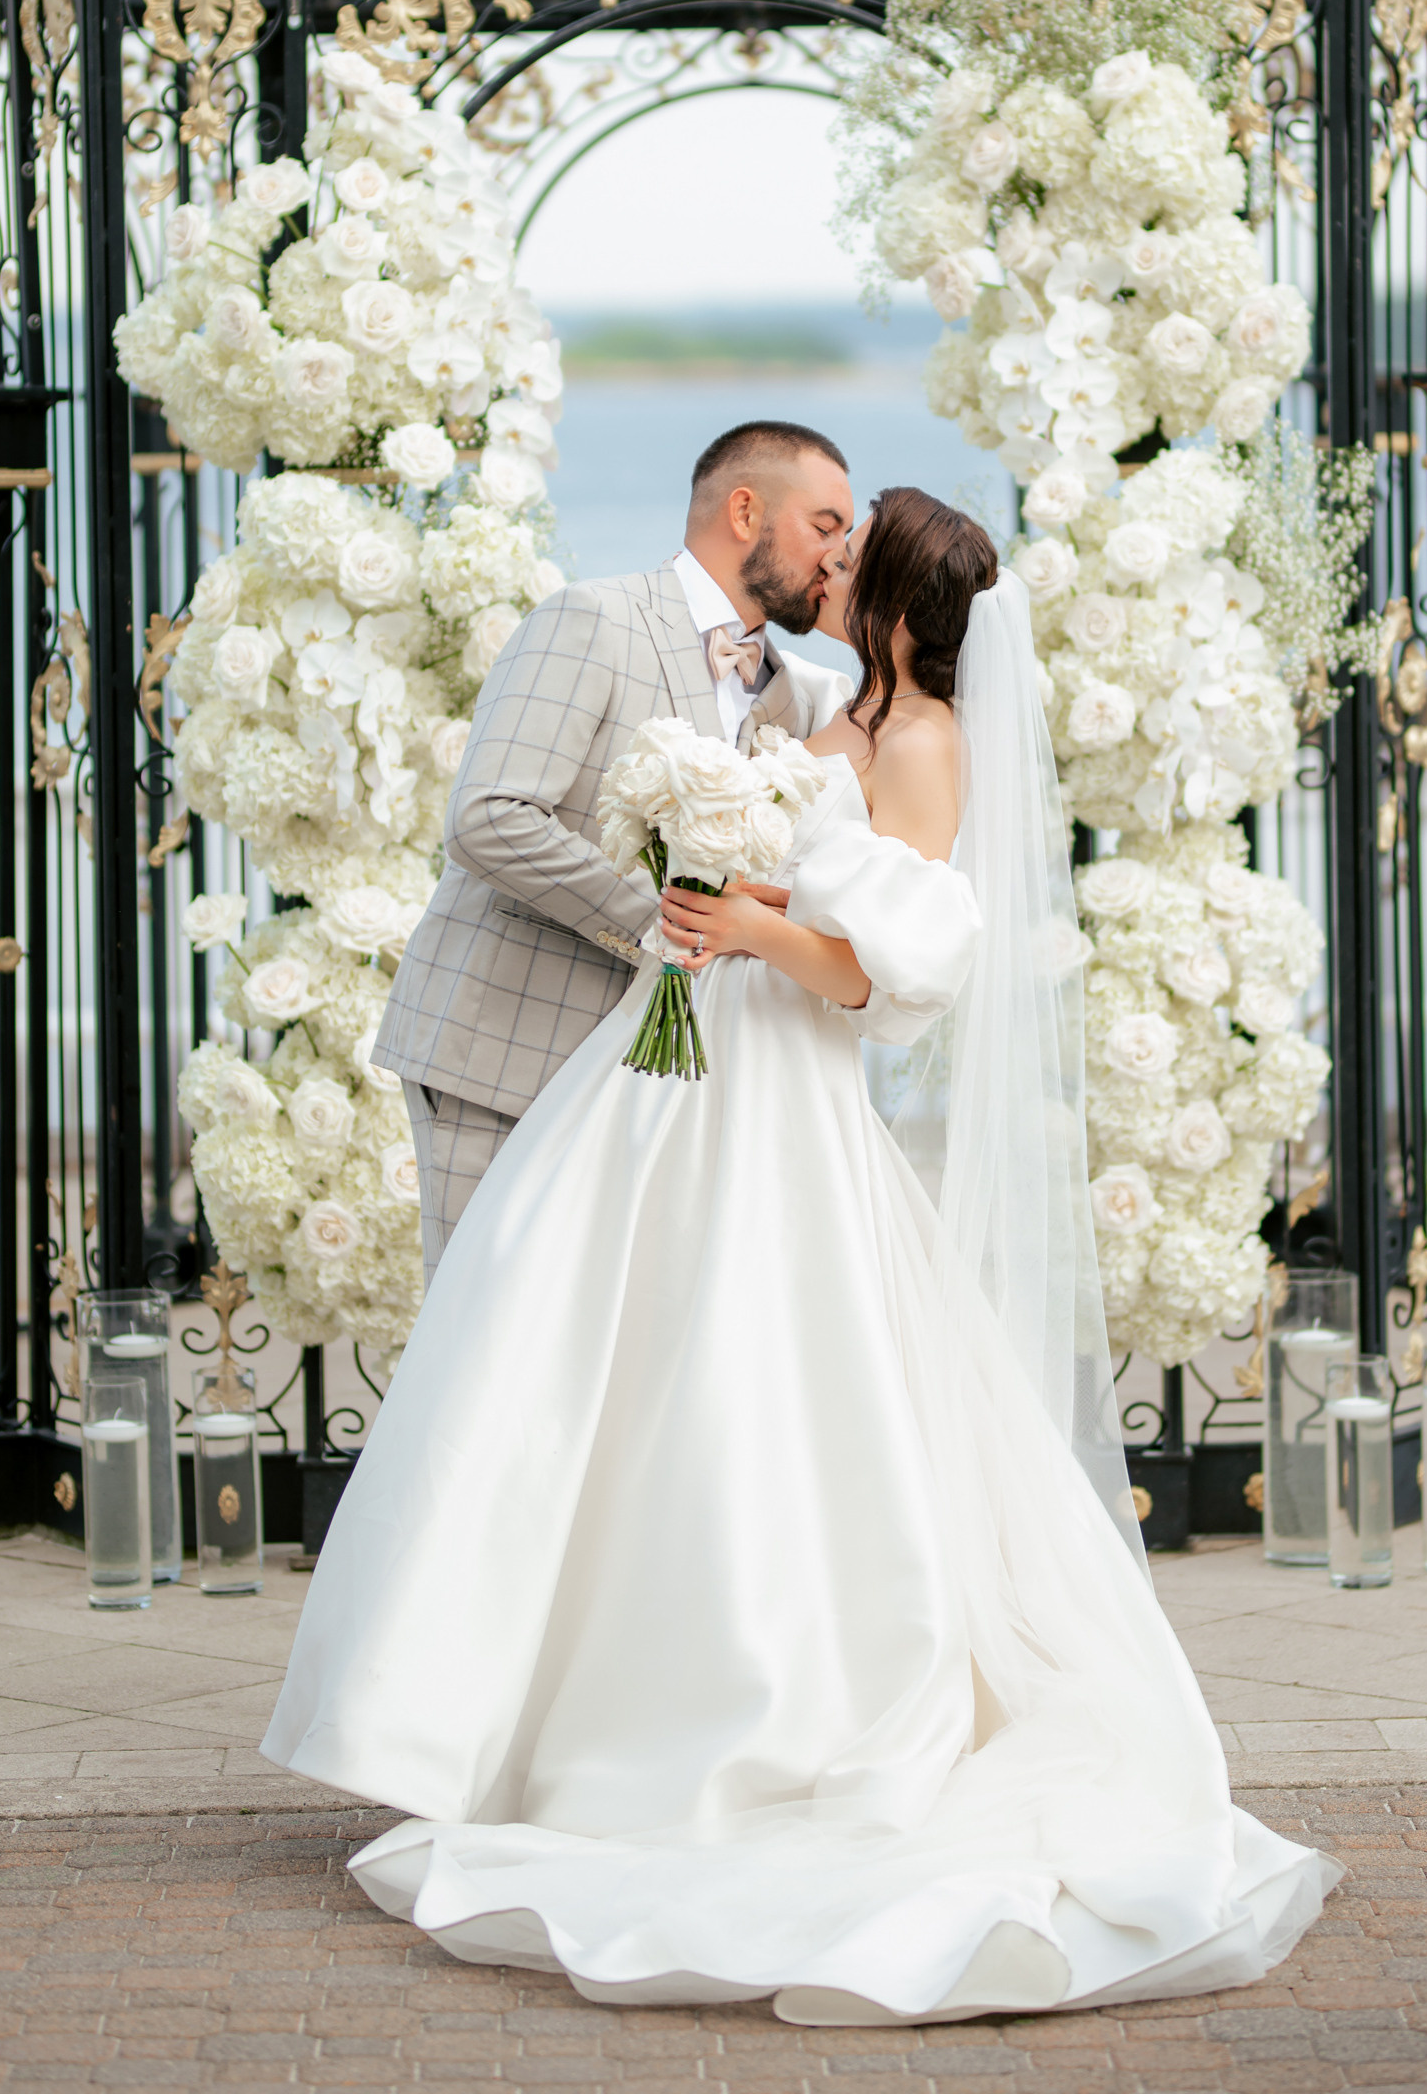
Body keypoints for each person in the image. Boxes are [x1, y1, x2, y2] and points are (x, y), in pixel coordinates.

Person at [264, 486, 1337, 2024]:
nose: (826, 570)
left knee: (753, 1383)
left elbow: (871, 977)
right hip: (675, 1070)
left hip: (777, 1089)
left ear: (895, 597)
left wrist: (736, 918)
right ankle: (526, 1715)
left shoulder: (921, 744)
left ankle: (730, 1719)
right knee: (580, 1352)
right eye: (822, 542)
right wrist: (717, 883)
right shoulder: (841, 705)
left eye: (851, 555)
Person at [371, 420, 856, 1288]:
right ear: (745, 510)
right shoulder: (591, 619)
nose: (837, 555)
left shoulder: (787, 695)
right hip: (506, 1054)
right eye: (825, 525)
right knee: (481, 1342)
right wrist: (663, 922)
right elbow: (488, 817)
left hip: (646, 1088)